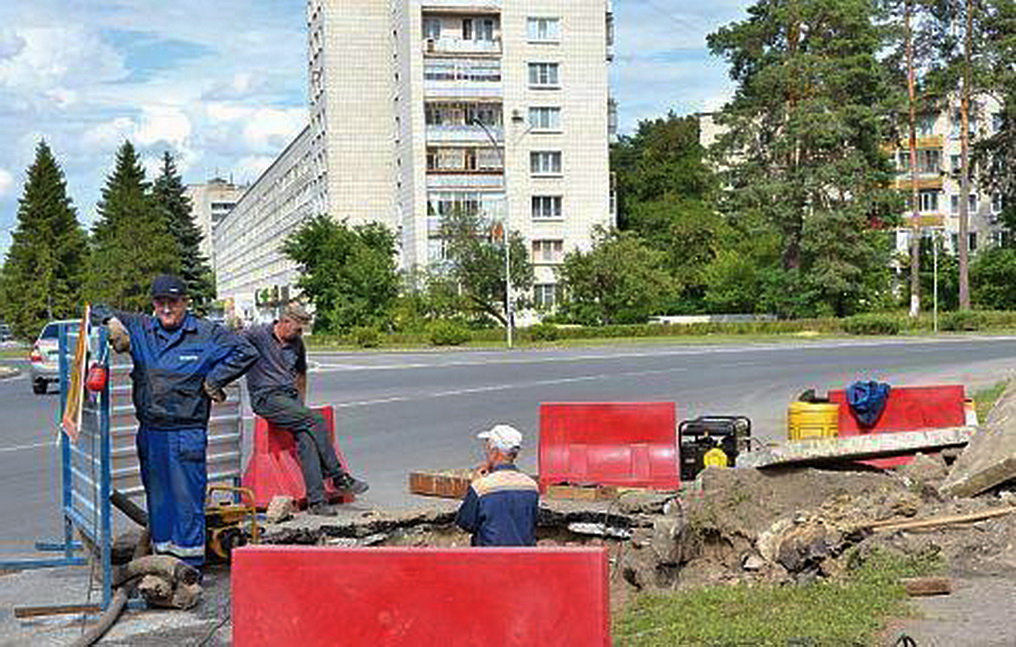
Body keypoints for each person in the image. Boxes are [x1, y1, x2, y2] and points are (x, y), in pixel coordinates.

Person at [96, 274, 259, 568]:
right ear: (153, 303)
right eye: (161, 302)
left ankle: (189, 567)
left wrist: (215, 379)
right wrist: (112, 324)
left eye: (174, 302)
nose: (167, 308)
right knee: (158, 499)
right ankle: (162, 562)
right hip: (151, 432)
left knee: (186, 502)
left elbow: (247, 351)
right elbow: (95, 309)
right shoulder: (142, 328)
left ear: (185, 303)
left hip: (187, 433)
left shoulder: (206, 333)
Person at [242, 303, 368, 516]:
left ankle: (316, 502)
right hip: (266, 398)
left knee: (307, 439)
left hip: (288, 399)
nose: (300, 333)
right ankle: (338, 476)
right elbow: (228, 341)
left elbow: (301, 376)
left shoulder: (297, 344)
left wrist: (300, 405)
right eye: (298, 328)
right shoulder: (257, 335)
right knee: (316, 421)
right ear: (284, 321)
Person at [455, 424, 539, 546]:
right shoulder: (531, 486)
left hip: (490, 560)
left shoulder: (481, 487)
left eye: (488, 448)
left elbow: (465, 523)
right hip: (524, 559)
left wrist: (474, 484)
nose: (486, 452)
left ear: (494, 452)